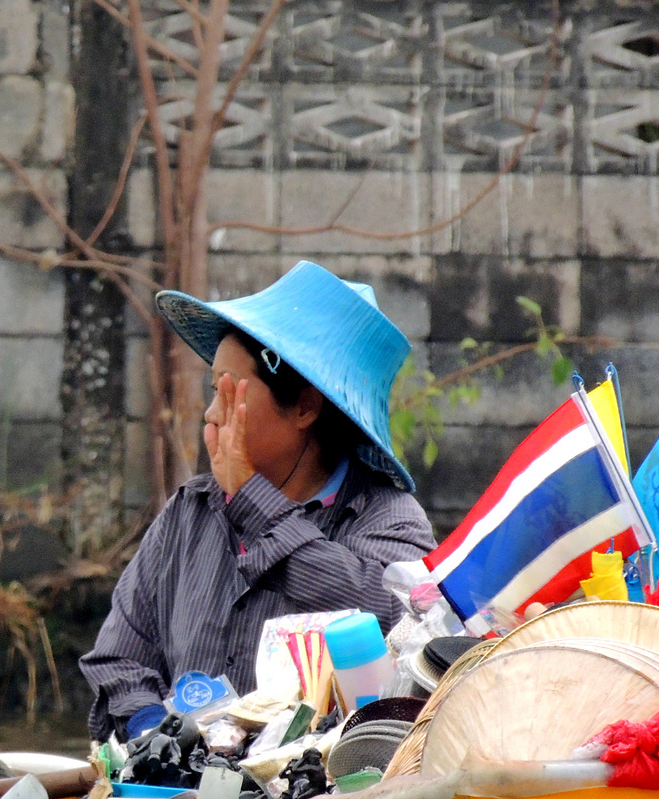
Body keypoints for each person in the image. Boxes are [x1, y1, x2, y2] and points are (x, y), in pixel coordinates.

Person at [81, 261, 436, 746]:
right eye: (213, 391)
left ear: (306, 407)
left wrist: (253, 500)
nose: (210, 414)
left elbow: (401, 624)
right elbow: (118, 659)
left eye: (229, 392)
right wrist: (156, 732)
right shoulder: (192, 512)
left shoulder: (386, 518)